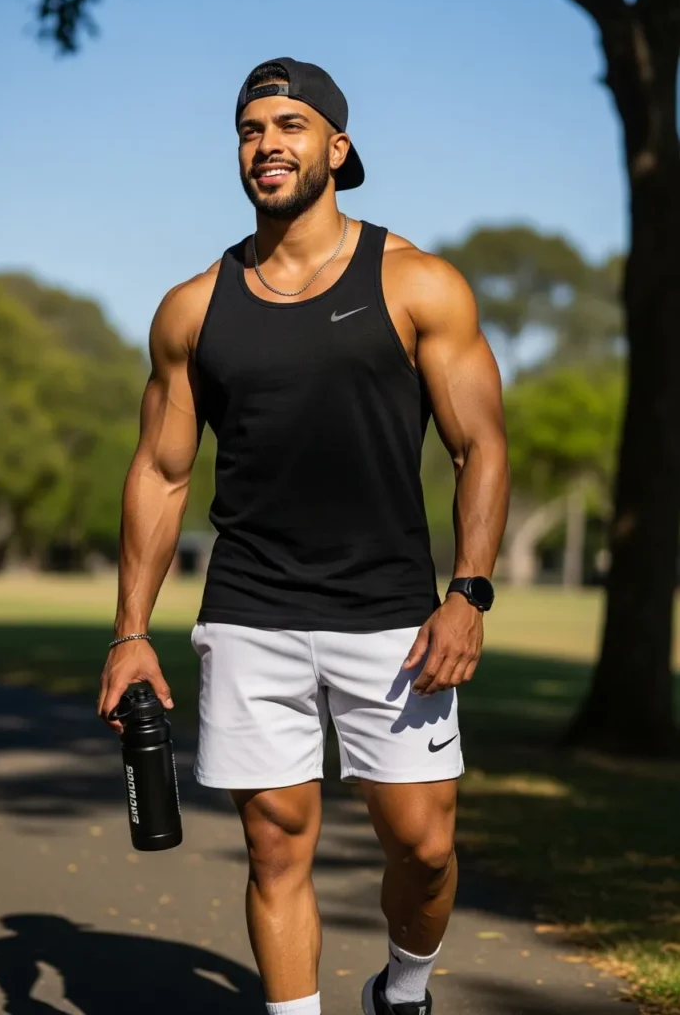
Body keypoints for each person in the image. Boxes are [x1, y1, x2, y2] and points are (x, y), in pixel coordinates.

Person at [98, 57, 509, 1015]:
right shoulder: (194, 308)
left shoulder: (417, 284)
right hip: (250, 611)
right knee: (275, 846)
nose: (266, 144)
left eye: (288, 125)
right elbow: (160, 474)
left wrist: (469, 592)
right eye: (249, 130)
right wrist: (128, 631)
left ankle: (402, 990)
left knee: (425, 848)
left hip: (391, 617)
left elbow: (478, 447)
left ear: (337, 145)